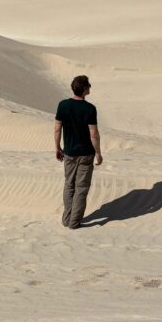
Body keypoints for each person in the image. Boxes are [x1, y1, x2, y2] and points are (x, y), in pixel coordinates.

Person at [54, 75, 102, 229]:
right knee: (81, 188)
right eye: (89, 85)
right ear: (84, 89)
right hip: (86, 154)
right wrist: (99, 153)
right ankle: (74, 222)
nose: (90, 88)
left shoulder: (63, 105)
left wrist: (57, 147)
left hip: (69, 153)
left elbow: (57, 128)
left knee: (69, 185)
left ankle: (67, 219)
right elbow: (93, 133)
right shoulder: (89, 109)